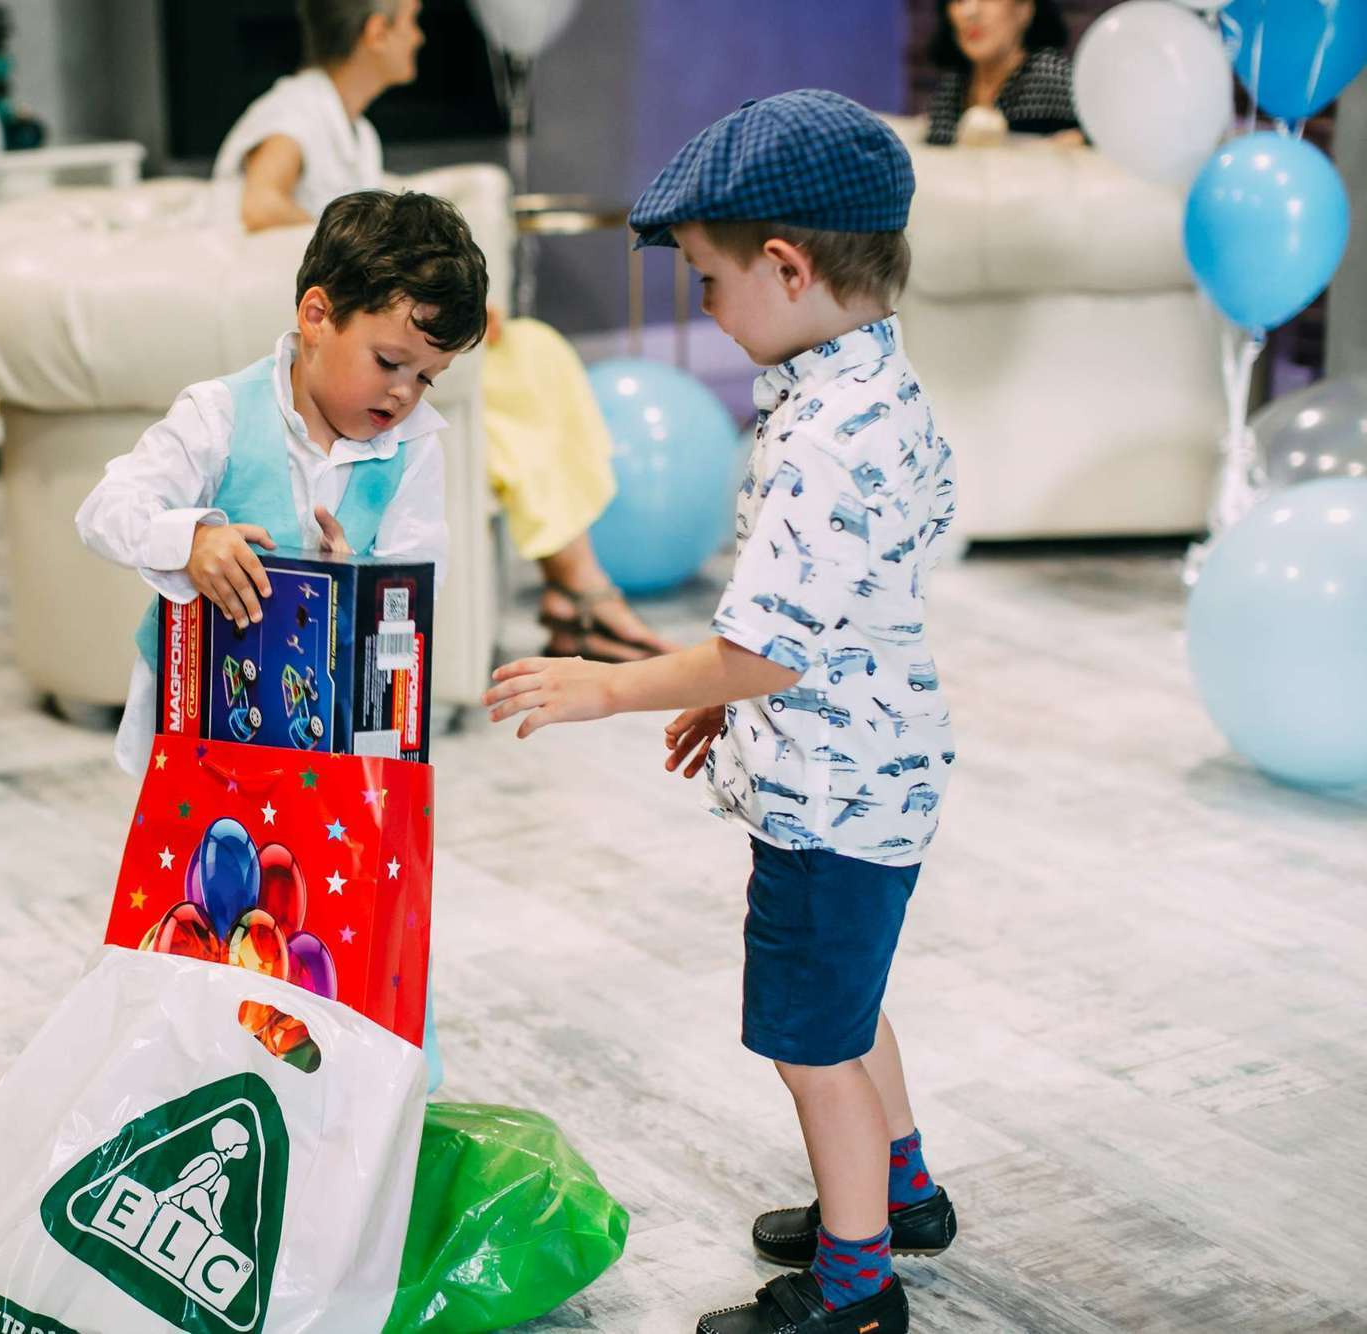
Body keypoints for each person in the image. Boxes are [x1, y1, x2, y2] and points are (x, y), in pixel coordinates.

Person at [484, 92, 959, 1334]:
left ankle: (857, 1283)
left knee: (807, 1038)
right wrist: (729, 706)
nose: (702, 306)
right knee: (845, 1001)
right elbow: (819, 620)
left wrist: (611, 685)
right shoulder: (876, 391)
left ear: (787, 267)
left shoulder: (822, 440)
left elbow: (757, 644)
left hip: (829, 793)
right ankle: (896, 1187)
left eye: (705, 280)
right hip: (872, 764)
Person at [213, 0, 678, 662]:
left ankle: (568, 578)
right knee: (513, 376)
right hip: (303, 329)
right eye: (409, 19)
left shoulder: (354, 132)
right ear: (375, 31)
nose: (421, 35)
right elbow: (260, 203)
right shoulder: (293, 114)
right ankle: (578, 584)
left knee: (533, 349)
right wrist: (373, 279)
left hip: (367, 321)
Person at [75, 188, 487, 780]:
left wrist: (363, 588)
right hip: (197, 722)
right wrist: (189, 542)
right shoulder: (219, 414)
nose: (405, 393)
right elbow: (104, 510)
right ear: (317, 317)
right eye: (390, 362)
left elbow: (419, 586)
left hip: (331, 736)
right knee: (192, 866)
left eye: (427, 378)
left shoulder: (414, 446)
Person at [925, 0, 1083, 146]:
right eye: (959, 0)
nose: (970, 11)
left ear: (1025, 9)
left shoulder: (1050, 76)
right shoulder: (954, 83)